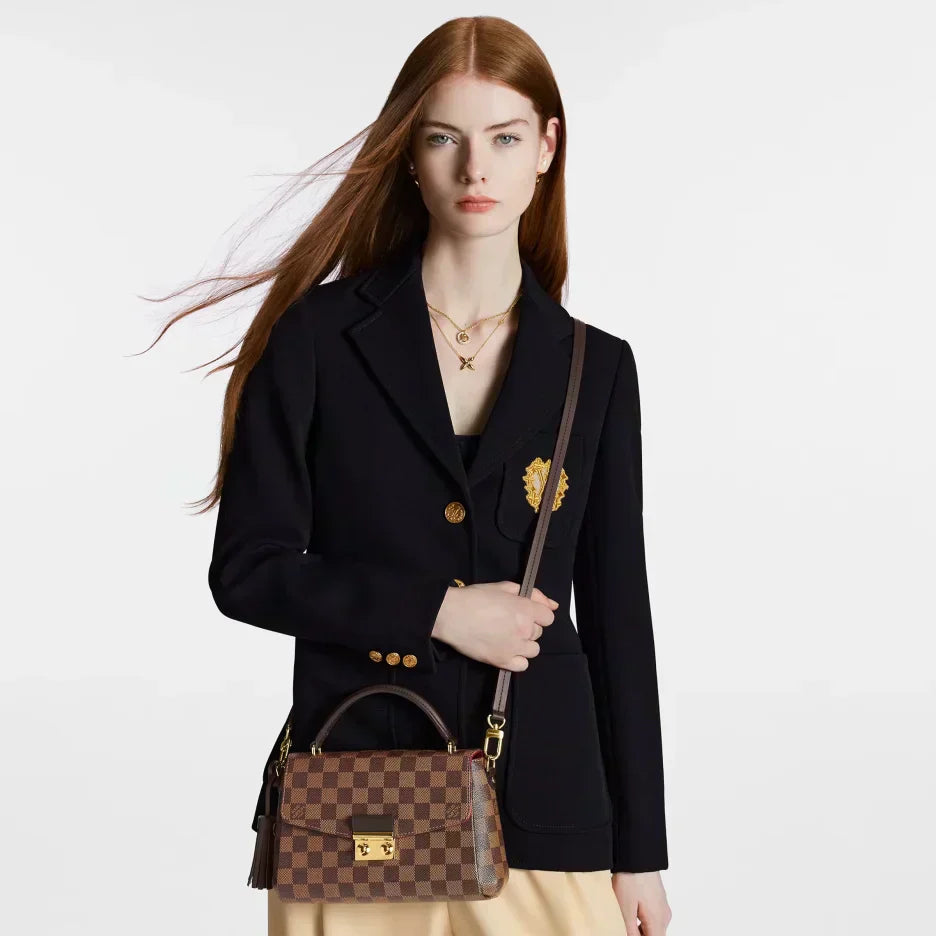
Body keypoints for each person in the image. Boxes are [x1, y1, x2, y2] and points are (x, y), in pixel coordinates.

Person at [157, 15, 671, 935]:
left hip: (548, 815)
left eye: (504, 138)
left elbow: (619, 621)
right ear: (408, 152)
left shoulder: (596, 367)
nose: (476, 169)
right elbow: (247, 572)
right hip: (358, 803)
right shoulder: (318, 340)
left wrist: (640, 852)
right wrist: (436, 611)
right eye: (444, 138)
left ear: (546, 147)